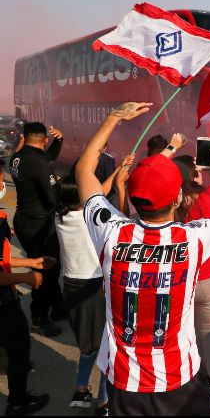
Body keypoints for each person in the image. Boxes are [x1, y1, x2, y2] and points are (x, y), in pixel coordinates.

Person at [76, 102, 210, 416]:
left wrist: (114, 116)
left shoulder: (111, 232)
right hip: (179, 379)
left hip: (125, 384)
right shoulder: (192, 239)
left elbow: (84, 170)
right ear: (177, 198)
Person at [56, 168, 131, 416]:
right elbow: (114, 210)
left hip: (71, 286)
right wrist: (120, 185)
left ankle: (81, 390)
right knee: (108, 346)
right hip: (95, 289)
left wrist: (117, 170)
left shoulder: (60, 216)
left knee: (88, 345)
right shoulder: (89, 220)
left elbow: (96, 194)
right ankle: (103, 402)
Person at [171, 154, 210, 411]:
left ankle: (187, 379)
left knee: (185, 331)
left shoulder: (171, 201)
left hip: (183, 278)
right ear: (194, 175)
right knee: (209, 333)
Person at [9, 121, 65, 337]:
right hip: (38, 224)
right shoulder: (40, 164)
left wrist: (59, 141)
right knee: (45, 268)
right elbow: (53, 198)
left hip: (24, 220)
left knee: (50, 266)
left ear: (25, 137)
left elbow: (45, 157)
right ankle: (39, 318)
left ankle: (58, 305)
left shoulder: (17, 157)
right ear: (45, 139)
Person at [0, 207, 52, 416]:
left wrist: (32, 262)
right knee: (19, 351)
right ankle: (18, 402)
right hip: (4, 305)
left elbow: (2, 260)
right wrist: (26, 277)